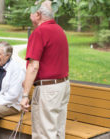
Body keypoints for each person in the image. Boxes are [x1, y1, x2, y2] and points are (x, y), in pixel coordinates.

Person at [20, 1, 70, 139]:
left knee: (44, 134)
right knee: (58, 132)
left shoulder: (40, 31)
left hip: (48, 90)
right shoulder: (59, 30)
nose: (30, 14)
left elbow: (33, 66)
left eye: (31, 11)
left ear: (38, 14)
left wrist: (25, 95)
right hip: (62, 86)